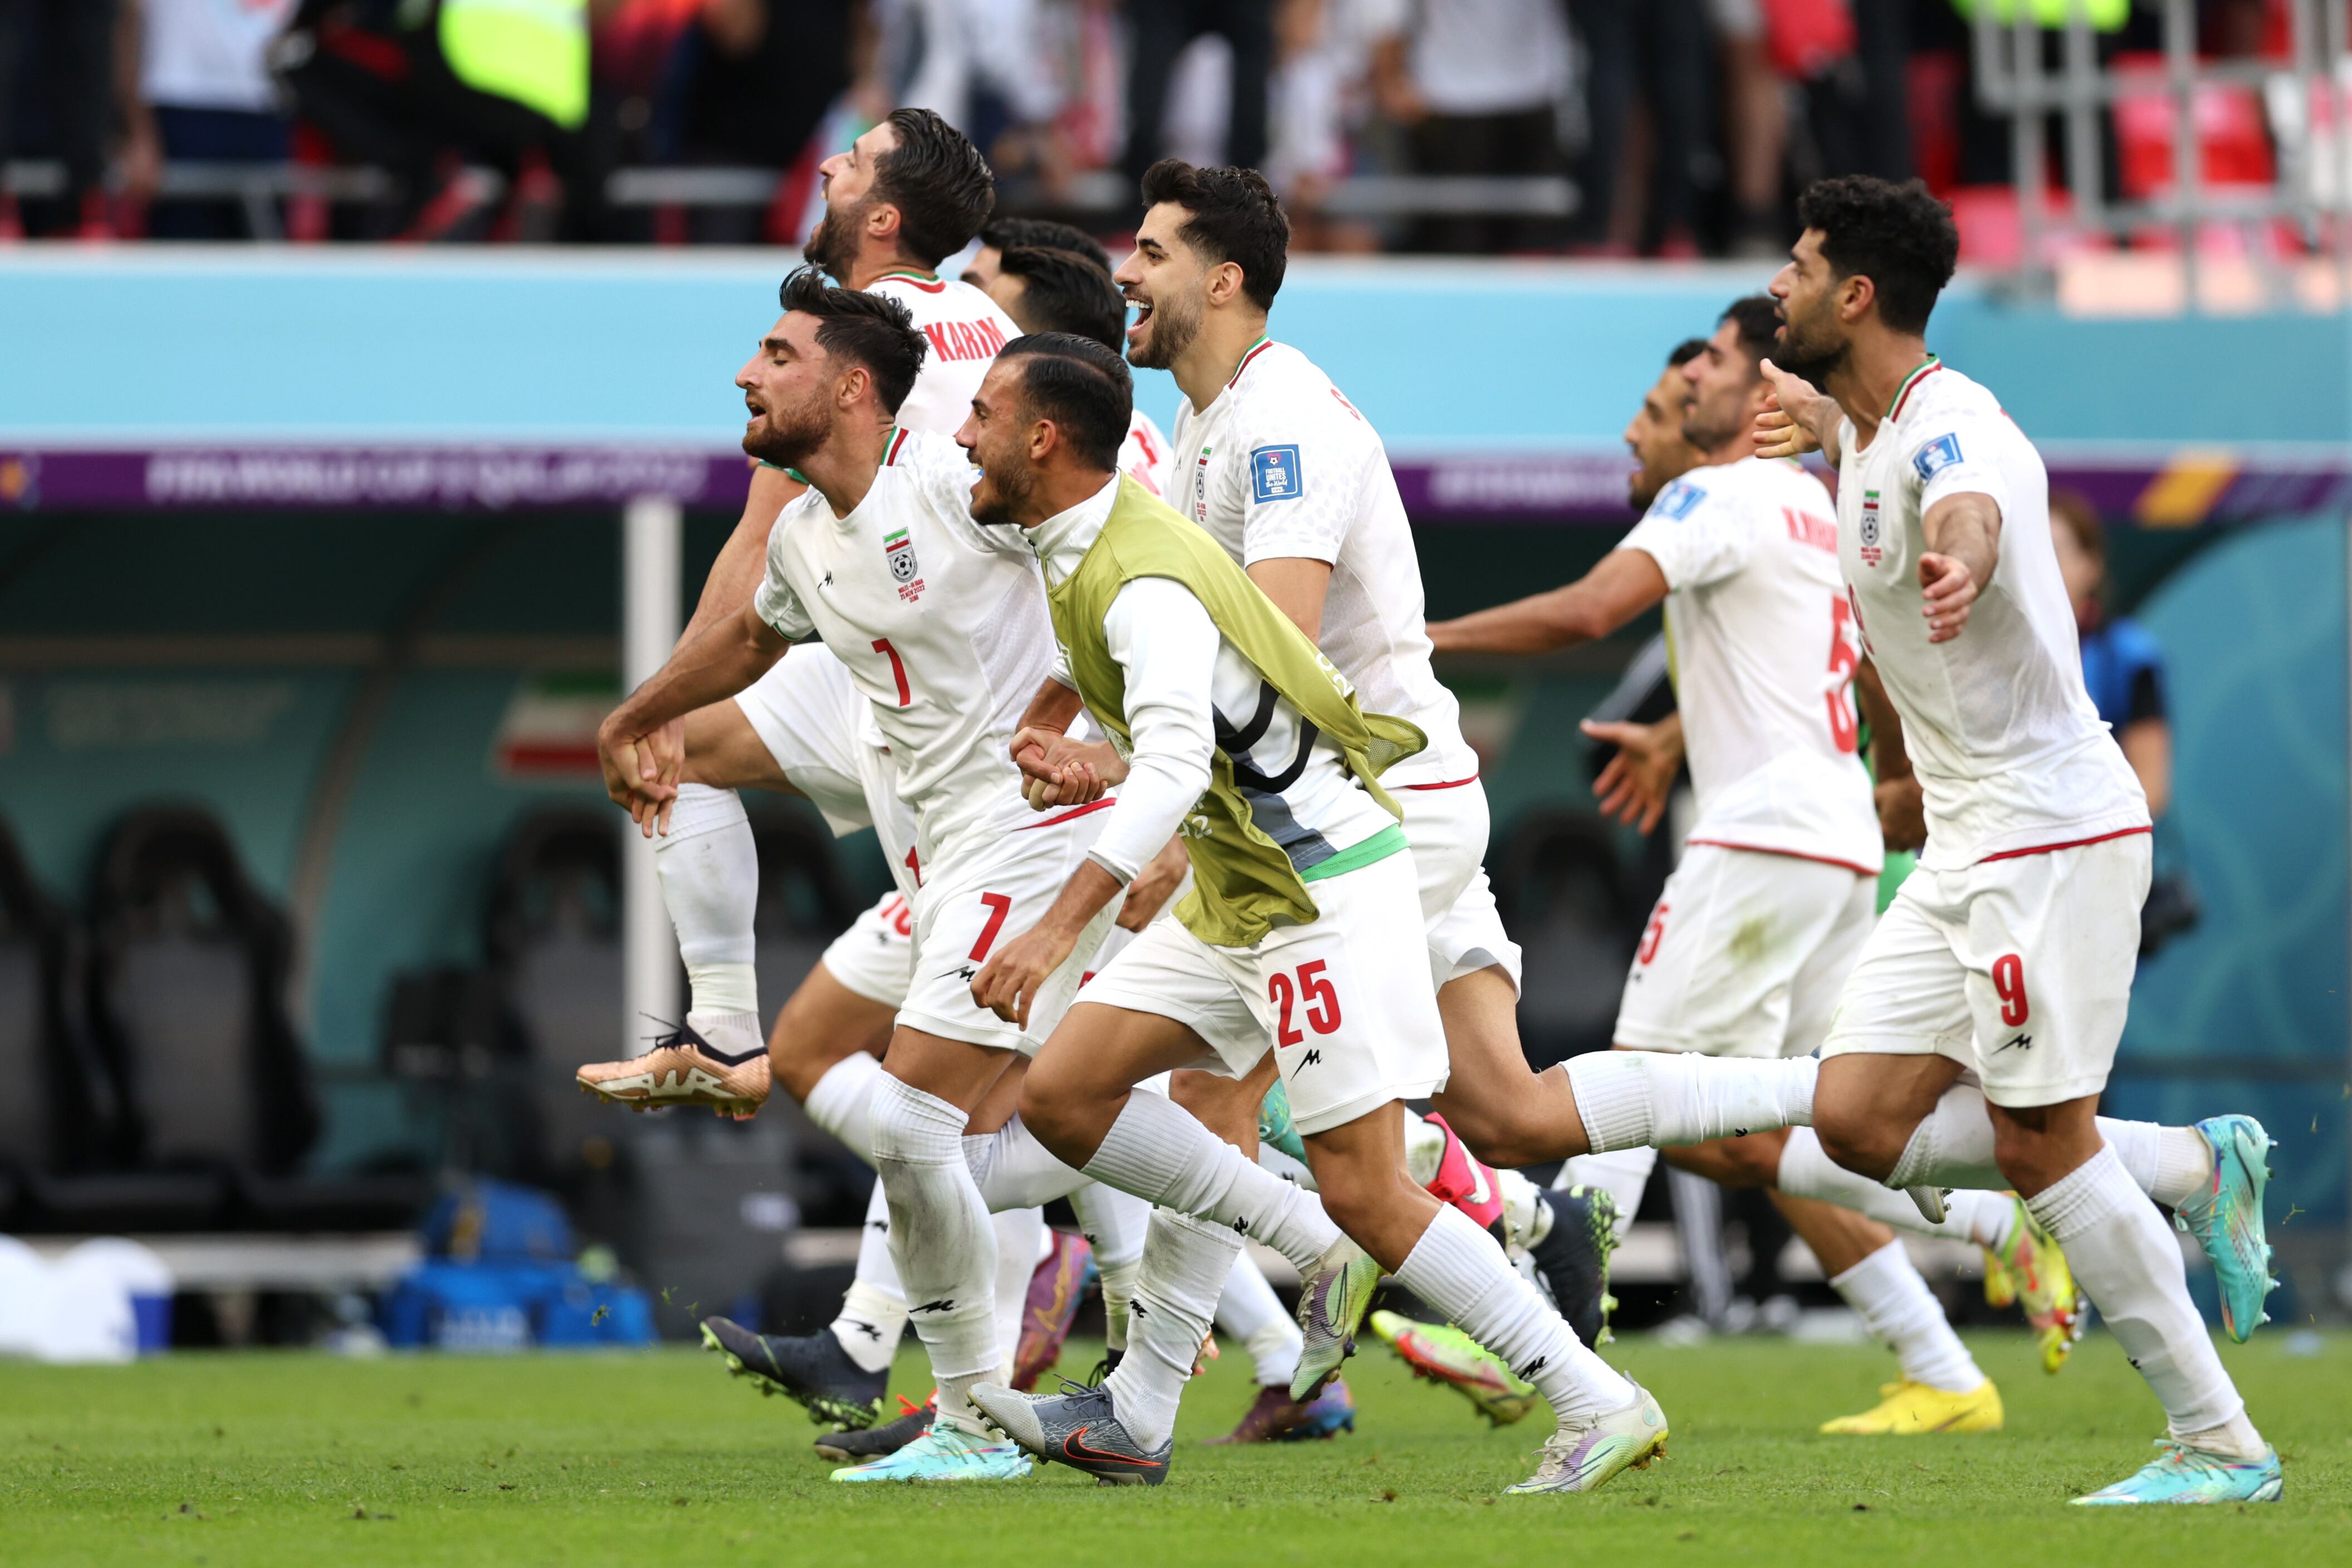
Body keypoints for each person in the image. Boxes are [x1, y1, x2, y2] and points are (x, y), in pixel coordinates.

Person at [952, 333, 1669, 1494]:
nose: (959, 435)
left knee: (1368, 1184)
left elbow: (1179, 758)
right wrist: (1083, 748)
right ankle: (1142, 1408)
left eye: (978, 413)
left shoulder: (1137, 573)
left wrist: (1053, 929)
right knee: (1068, 1091)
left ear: (1040, 438)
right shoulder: (1080, 548)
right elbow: (1170, 724)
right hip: (1237, 887)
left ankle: (1596, 1396)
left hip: (1314, 891)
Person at [1426, 301, 2079, 1435]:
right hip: (1829, 839)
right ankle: (1951, 1335)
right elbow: (1840, 666)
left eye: (1672, 397)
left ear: (1749, 409)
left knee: (1633, 1084)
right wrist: (1693, 738)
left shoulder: (1713, 493)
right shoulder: (1822, 509)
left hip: (1762, 836)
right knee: (1752, 1132)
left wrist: (1409, 640)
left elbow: (1588, 609)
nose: (1647, 424)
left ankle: (1524, 1338)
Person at [1754, 174, 2279, 1505]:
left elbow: (1966, 498)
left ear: (1856, 295)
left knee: (2043, 1144)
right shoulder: (1863, 429)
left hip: (2049, 835)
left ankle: (2221, 1445)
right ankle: (2184, 1162)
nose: (1779, 285)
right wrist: (1822, 419)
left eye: (1800, 266)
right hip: (1964, 847)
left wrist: (1963, 557)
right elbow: (1875, 450)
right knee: (1850, 1123)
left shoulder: (1955, 431)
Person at [961, 235, 1176, 495]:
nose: (976, 335)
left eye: (995, 328)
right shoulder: (1138, 428)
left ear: (1056, 355)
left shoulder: (1061, 482)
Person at [2050, 491, 2169, 819]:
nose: (2039, 567)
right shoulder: (1985, 649)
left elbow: (2151, 789)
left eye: (2054, 552)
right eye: (2028, 554)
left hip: (2103, 851)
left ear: (2091, 565)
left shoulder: (2130, 657)